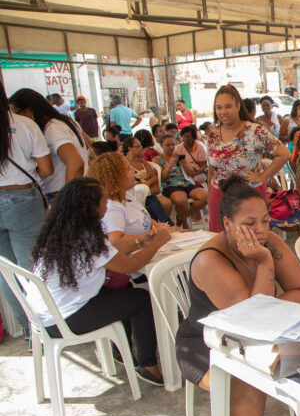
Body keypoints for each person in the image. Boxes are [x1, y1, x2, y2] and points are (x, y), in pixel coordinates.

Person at [176, 175, 300, 416]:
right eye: (249, 222)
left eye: (265, 220)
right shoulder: (211, 260)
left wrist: (269, 299)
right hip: (203, 343)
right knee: (249, 379)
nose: (261, 230)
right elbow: (250, 319)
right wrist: (265, 263)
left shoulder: (270, 241)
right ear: (227, 223)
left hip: (252, 334)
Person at [26, 177, 171, 385]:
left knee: (124, 290)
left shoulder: (63, 230)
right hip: (63, 320)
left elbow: (109, 254)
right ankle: (149, 366)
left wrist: (140, 242)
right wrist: (156, 243)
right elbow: (128, 266)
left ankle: (119, 350)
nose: (108, 204)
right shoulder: (86, 237)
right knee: (141, 299)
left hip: (46, 316)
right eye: (104, 201)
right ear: (90, 207)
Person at [0, 79, 53, 330]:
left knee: (6, 273)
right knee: (31, 269)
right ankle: (42, 328)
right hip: (22, 199)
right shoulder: (24, 125)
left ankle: (27, 331)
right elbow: (46, 168)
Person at [206, 85, 289, 232]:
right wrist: (210, 196)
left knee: (251, 238)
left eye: (228, 106)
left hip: (249, 195)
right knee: (219, 240)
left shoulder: (254, 130)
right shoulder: (213, 133)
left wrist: (262, 176)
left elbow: (284, 154)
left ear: (238, 105)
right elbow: (211, 169)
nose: (223, 112)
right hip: (219, 193)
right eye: (219, 107)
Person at [88, 151, 175, 254]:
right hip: (135, 256)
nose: (133, 173)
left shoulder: (127, 194)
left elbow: (141, 217)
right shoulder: (112, 207)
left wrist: (160, 226)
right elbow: (115, 240)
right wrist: (153, 235)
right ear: (116, 176)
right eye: (128, 169)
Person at [9, 88, 86, 199]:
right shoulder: (66, 122)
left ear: (29, 110)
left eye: (17, 114)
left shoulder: (52, 129)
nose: (16, 120)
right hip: (78, 190)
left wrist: (67, 198)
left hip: (61, 192)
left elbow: (76, 163)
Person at [157, 135, 208, 229]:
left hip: (186, 182)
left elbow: (191, 173)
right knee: (181, 200)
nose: (171, 147)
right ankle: (185, 224)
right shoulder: (157, 159)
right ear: (161, 145)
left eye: (173, 144)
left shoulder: (180, 157)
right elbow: (162, 178)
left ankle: (182, 217)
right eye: (168, 145)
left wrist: (185, 165)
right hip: (170, 185)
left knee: (204, 196)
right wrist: (169, 165)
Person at [121, 136, 173, 222]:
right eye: (138, 146)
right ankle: (166, 224)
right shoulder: (124, 163)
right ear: (130, 148)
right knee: (150, 200)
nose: (141, 148)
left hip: (148, 190)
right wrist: (144, 186)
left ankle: (163, 225)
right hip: (135, 193)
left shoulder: (143, 162)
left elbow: (154, 177)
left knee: (166, 202)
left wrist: (146, 184)